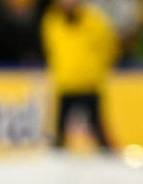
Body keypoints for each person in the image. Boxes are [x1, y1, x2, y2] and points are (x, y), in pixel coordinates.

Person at [41, 0, 120, 150]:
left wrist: (94, 69)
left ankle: (112, 164)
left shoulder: (95, 21)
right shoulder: (52, 22)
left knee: (98, 129)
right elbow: (51, 50)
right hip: (65, 84)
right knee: (59, 132)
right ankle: (54, 166)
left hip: (89, 83)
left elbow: (109, 48)